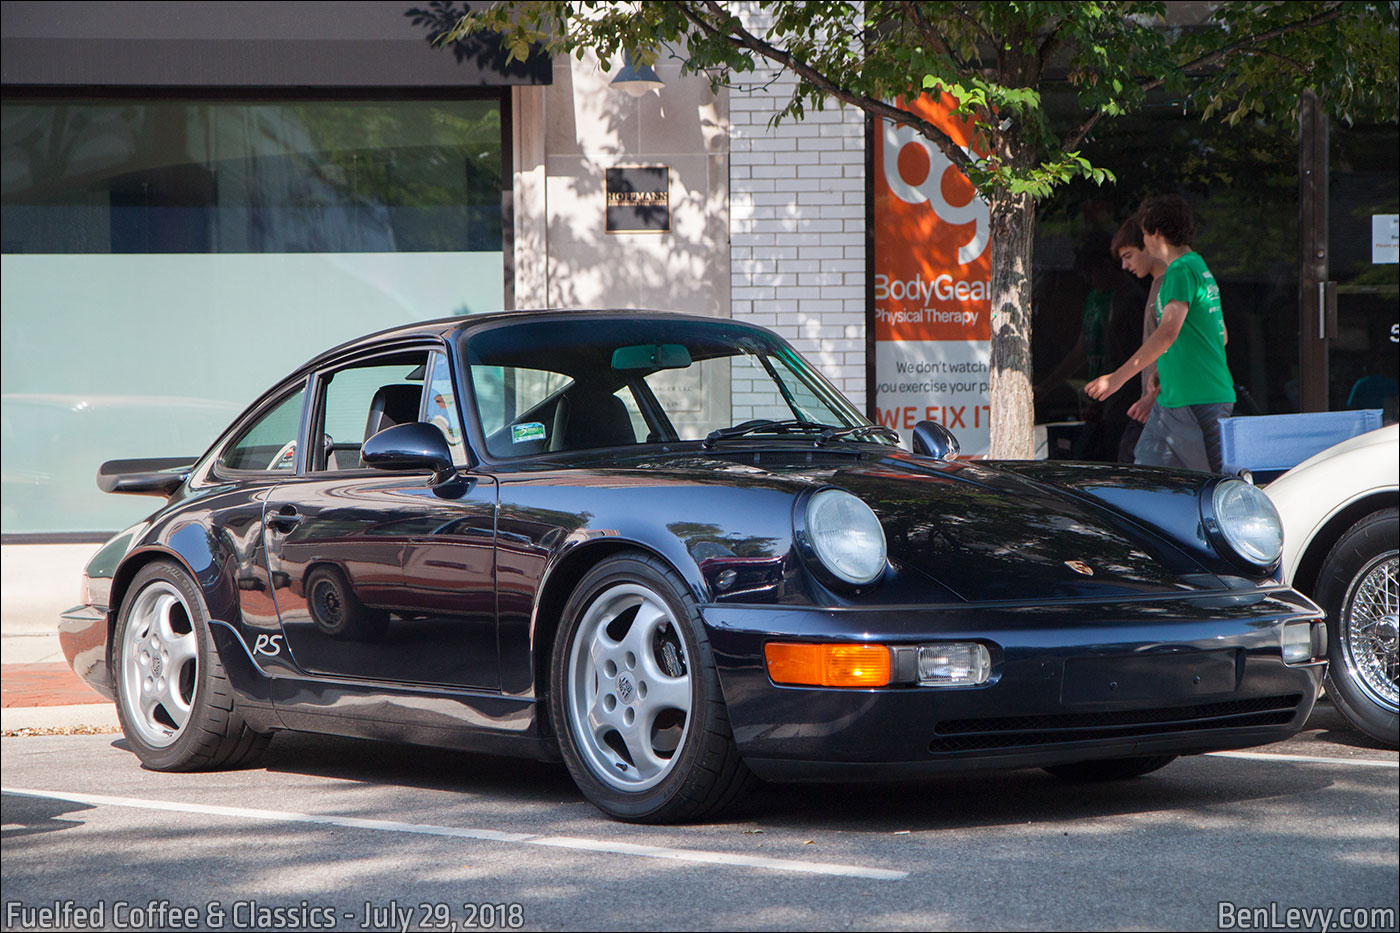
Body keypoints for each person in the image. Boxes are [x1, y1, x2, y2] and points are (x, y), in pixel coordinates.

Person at [1086, 195, 1234, 472]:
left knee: (1218, 487)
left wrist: (1117, 379)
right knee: (1148, 475)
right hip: (1176, 399)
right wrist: (1164, 370)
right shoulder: (1198, 266)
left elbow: (1168, 333)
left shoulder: (1179, 272)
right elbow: (1220, 334)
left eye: (1143, 233)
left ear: (1155, 232)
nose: (1144, 240)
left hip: (1197, 398)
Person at [1109, 213, 1167, 461]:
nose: (1124, 266)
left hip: (1166, 404)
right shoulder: (1157, 285)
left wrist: (1154, 395)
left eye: (1128, 256)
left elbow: (1172, 342)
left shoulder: (1171, 284)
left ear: (1150, 244)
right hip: (1157, 402)